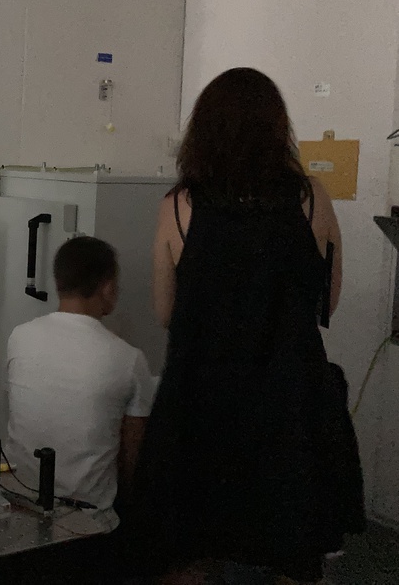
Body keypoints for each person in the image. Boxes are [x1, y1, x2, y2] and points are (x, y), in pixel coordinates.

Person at [132, 67, 364, 583]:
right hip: (289, 404)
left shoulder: (178, 207)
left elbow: (165, 313)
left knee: (191, 547)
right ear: (277, 129)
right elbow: (327, 301)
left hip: (201, 399)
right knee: (292, 551)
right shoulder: (311, 199)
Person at [5, 236, 155, 533]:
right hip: (87, 525)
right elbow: (133, 460)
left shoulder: (19, 337)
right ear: (107, 287)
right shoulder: (129, 359)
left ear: (58, 282)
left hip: (16, 506)